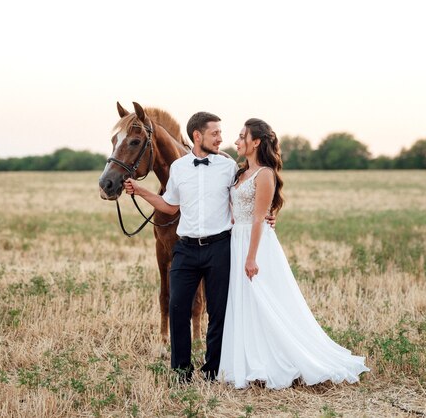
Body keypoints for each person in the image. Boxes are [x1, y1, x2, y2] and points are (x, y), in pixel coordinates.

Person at [217, 118, 369, 389]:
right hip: (236, 240)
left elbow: (258, 219)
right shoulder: (240, 173)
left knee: (264, 299)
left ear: (256, 142)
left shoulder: (264, 174)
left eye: (242, 136)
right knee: (246, 302)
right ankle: (252, 361)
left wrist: (251, 257)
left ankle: (280, 360)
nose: (237, 141)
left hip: (255, 244)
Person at [124, 111, 237, 382]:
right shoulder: (179, 168)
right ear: (197, 136)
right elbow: (170, 205)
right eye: (215, 133)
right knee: (177, 308)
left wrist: (269, 214)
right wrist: (141, 192)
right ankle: (181, 372)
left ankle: (212, 371)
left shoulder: (229, 167)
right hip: (185, 248)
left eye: (220, 133)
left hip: (218, 247)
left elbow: (246, 198)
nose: (221, 138)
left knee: (218, 312)